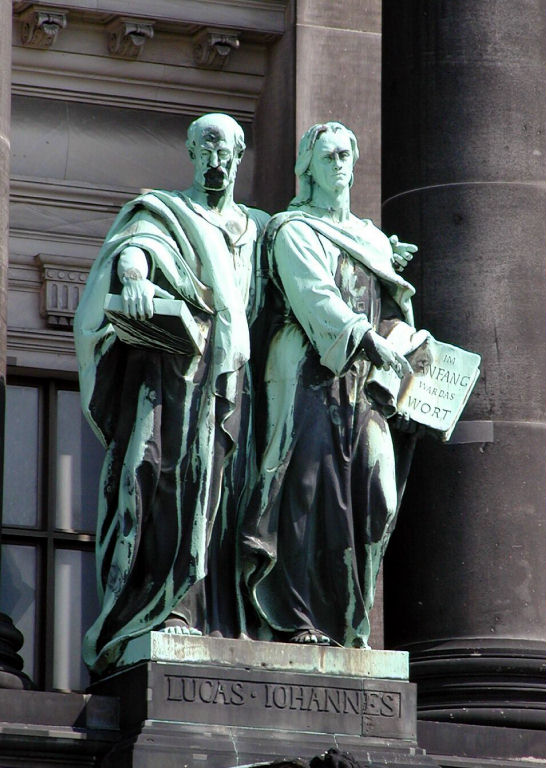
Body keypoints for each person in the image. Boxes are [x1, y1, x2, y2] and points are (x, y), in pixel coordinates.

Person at [74, 113, 268, 675]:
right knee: (162, 479)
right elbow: (133, 247)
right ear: (189, 151)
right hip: (175, 380)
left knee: (231, 498)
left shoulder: (259, 226)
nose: (216, 156)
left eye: (226, 147)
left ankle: (232, 618)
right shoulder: (164, 210)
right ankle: (167, 608)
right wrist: (134, 277)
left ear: (240, 155)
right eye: (205, 144)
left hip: (237, 385)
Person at [241, 121, 423, 648]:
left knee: (377, 494)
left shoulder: (370, 237)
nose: (339, 163)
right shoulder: (291, 229)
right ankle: (300, 618)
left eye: (346, 154)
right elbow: (315, 299)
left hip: (364, 383)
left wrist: (404, 334)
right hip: (306, 374)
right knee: (306, 489)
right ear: (308, 168)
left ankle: (348, 619)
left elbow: (394, 306)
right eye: (327, 156)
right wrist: (370, 338)